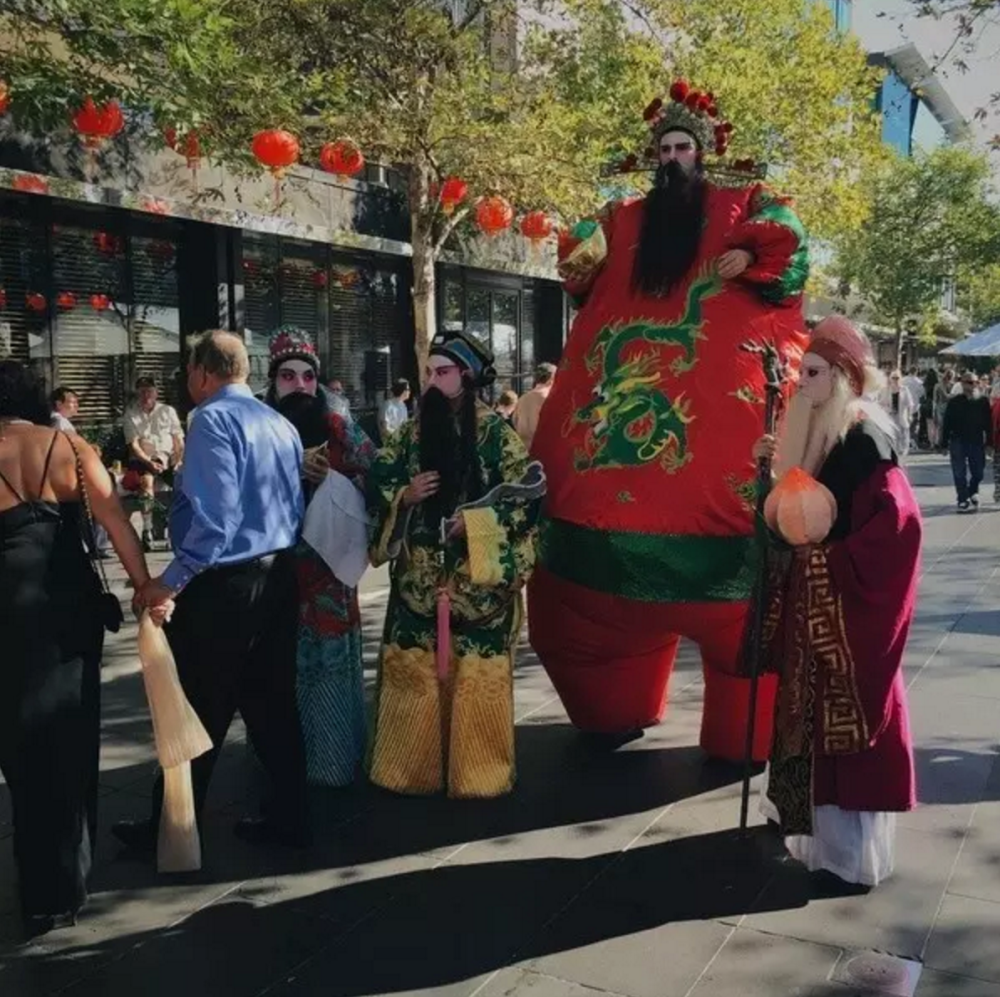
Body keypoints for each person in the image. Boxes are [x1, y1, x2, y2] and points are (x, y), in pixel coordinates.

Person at [528, 79, 809, 761]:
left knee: (748, 677)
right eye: (666, 148)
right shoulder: (623, 217)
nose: (674, 158)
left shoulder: (748, 208)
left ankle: (742, 724)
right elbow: (578, 261)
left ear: (704, 154)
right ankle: (614, 694)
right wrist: (580, 242)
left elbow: (789, 250)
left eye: (685, 148)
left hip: (729, 526)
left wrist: (749, 253)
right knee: (589, 657)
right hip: (592, 542)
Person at [114, 331, 310, 853]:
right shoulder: (279, 423)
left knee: (197, 706)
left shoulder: (211, 420)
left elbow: (215, 521)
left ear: (203, 372)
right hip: (278, 575)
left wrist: (169, 580)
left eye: (188, 371)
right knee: (273, 706)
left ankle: (174, 828)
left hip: (227, 584)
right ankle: (290, 818)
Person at [750, 316, 919, 888]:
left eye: (814, 372)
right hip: (814, 602)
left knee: (841, 734)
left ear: (844, 375)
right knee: (805, 718)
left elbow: (898, 526)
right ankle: (806, 830)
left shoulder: (865, 437)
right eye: (802, 371)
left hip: (843, 607)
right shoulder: (823, 428)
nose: (804, 382)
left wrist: (828, 560)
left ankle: (845, 853)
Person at [0, 360, 152, 936]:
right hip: (64, 617)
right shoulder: (67, 447)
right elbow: (115, 522)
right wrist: (147, 588)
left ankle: (36, 877)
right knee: (68, 739)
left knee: (19, 749)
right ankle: (63, 883)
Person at [366, 330, 545, 798]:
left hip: (476, 584)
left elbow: (530, 496)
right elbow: (379, 477)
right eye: (427, 372)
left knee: (474, 679)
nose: (430, 381)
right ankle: (407, 770)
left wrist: (479, 521)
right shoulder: (410, 432)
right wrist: (402, 497)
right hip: (418, 581)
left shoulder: (495, 434)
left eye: (441, 372)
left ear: (465, 375)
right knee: (415, 672)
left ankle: (478, 774)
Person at [265, 327, 376, 787]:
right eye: (288, 377)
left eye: (308, 377)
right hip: (274, 567)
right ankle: (277, 759)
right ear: (273, 382)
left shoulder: (338, 424)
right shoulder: (260, 423)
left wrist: (338, 477)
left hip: (328, 571)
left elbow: (379, 471)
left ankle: (332, 760)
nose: (300, 386)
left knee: (329, 662)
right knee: (276, 666)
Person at [122, 375, 184, 550]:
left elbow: (178, 439)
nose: (146, 394)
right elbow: (134, 445)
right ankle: (147, 529)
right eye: (142, 391)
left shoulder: (167, 410)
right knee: (146, 482)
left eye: (149, 390)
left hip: (168, 457)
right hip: (143, 458)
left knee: (184, 483)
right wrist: (148, 461)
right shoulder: (131, 413)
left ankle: (177, 529)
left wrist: (178, 460)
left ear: (156, 392)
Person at [942, 370, 992, 513]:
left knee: (979, 472)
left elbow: (988, 424)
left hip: (976, 441)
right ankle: (962, 498)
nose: (974, 385)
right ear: (963, 384)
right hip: (958, 441)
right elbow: (947, 423)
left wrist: (989, 443)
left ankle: (972, 490)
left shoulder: (982, 401)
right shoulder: (954, 402)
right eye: (970, 382)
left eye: (976, 382)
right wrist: (944, 444)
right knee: (959, 472)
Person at [513, 362, 556, 449]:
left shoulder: (522, 399)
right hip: (544, 450)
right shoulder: (549, 399)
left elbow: (515, 421)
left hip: (524, 449)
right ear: (552, 378)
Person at [878, 370, 916, 457]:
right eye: (893, 378)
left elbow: (910, 404)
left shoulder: (904, 389)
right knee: (891, 434)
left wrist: (910, 415)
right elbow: (880, 404)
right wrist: (886, 409)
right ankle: (892, 451)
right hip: (889, 416)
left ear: (900, 378)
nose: (895, 380)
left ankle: (901, 452)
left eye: (897, 378)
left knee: (902, 434)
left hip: (901, 416)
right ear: (890, 379)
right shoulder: (885, 389)